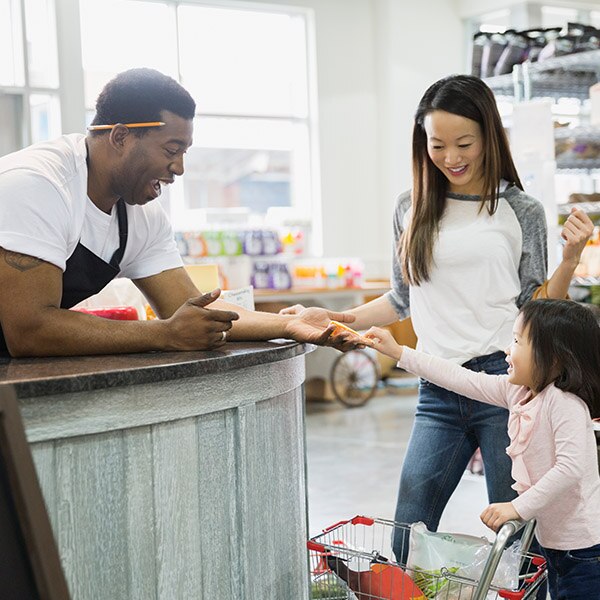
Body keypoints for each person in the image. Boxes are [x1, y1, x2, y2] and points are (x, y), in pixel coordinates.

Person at [281, 74, 594, 559]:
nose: (451, 157)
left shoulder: (520, 210)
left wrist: (570, 260)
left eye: (464, 143)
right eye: (438, 144)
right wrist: (337, 316)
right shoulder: (410, 207)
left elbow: (537, 308)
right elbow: (401, 300)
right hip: (437, 385)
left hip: (505, 384)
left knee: (516, 536)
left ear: (490, 136)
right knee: (409, 523)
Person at [0, 68, 358, 357]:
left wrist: (288, 325)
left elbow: (189, 313)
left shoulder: (141, 215)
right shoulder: (38, 184)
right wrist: (163, 334)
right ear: (121, 137)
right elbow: (30, 330)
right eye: (172, 149)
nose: (180, 168)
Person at [364, 299, 600, 600]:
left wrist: (517, 507)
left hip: (585, 552)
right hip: (555, 544)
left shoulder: (565, 404)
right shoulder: (518, 392)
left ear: (553, 358)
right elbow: (462, 379)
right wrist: (399, 352)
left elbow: (570, 468)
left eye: (517, 341)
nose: (507, 350)